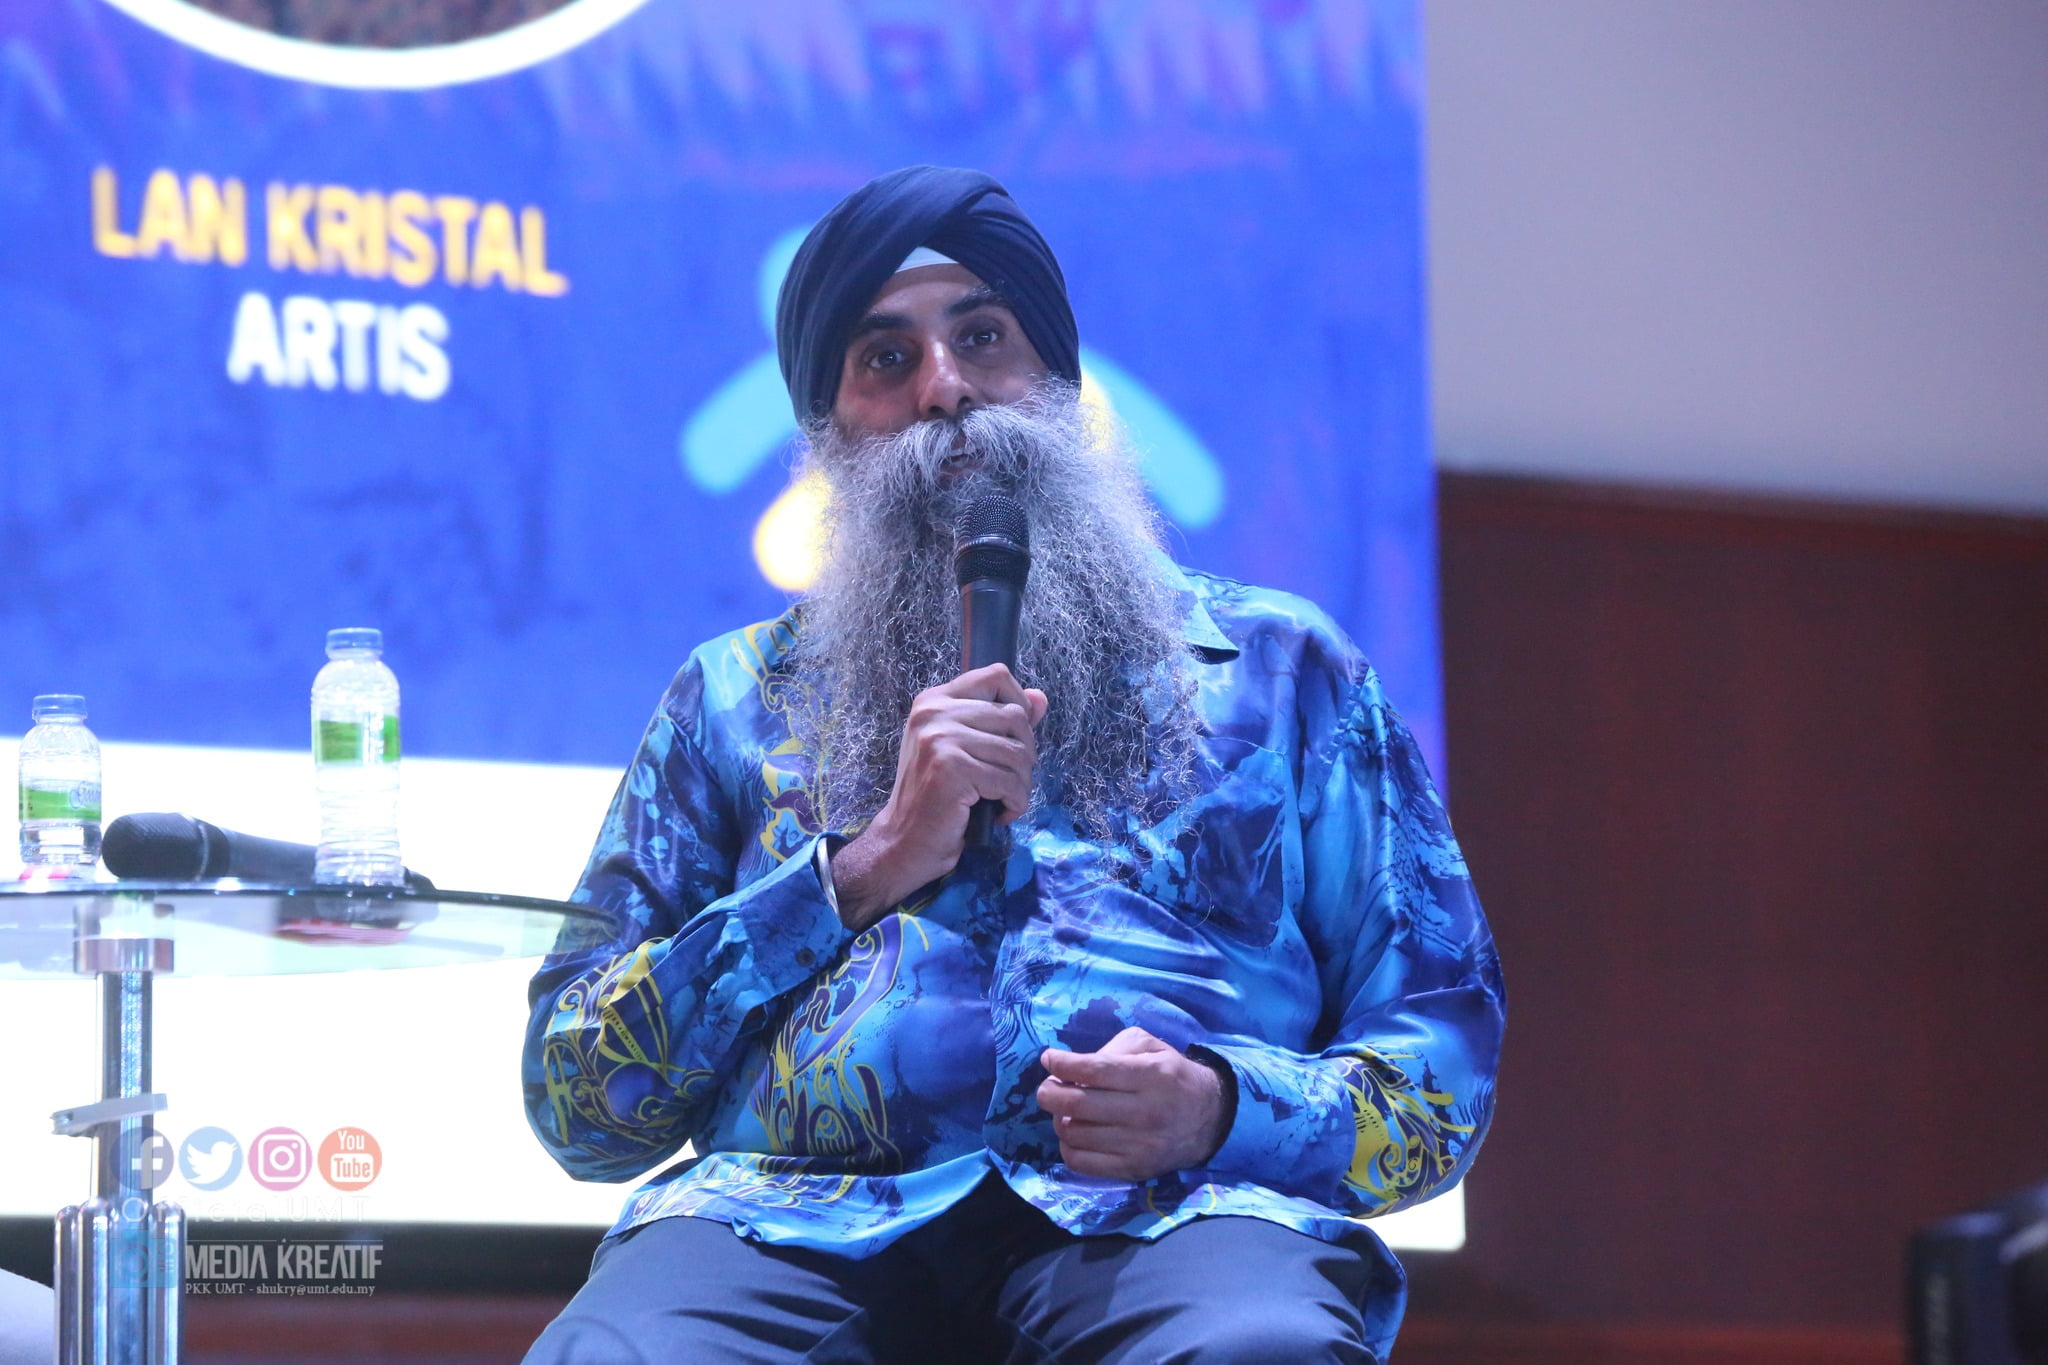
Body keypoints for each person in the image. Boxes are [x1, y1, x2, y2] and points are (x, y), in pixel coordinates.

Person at [521, 165, 1505, 1364]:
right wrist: (862, 869)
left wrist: (1219, 1106)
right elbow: (575, 1102)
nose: (943, 388)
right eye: (885, 358)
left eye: (981, 336)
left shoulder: (1280, 670)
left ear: (1058, 381)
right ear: (829, 433)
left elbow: (1442, 1067)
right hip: (789, 1218)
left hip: (1167, 1215)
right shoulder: (728, 697)